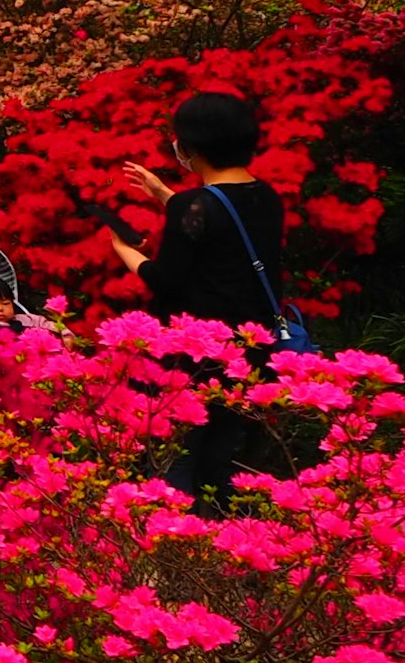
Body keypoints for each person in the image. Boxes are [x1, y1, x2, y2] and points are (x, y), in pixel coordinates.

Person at [107, 88, 288, 493]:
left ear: (191, 146)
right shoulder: (266, 195)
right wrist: (164, 196)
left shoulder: (194, 205)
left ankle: (175, 544)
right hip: (250, 346)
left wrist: (123, 251)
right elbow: (223, 228)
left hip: (194, 356)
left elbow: (165, 280)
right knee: (223, 456)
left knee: (178, 456)